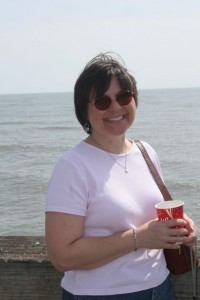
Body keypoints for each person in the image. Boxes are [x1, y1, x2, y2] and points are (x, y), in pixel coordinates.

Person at [45, 53, 197, 300]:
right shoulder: (72, 166)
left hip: (160, 288)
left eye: (124, 96)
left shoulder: (145, 152)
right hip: (99, 295)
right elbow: (62, 256)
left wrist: (182, 227)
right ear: (83, 110)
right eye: (102, 101)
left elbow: (149, 210)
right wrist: (140, 238)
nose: (116, 107)